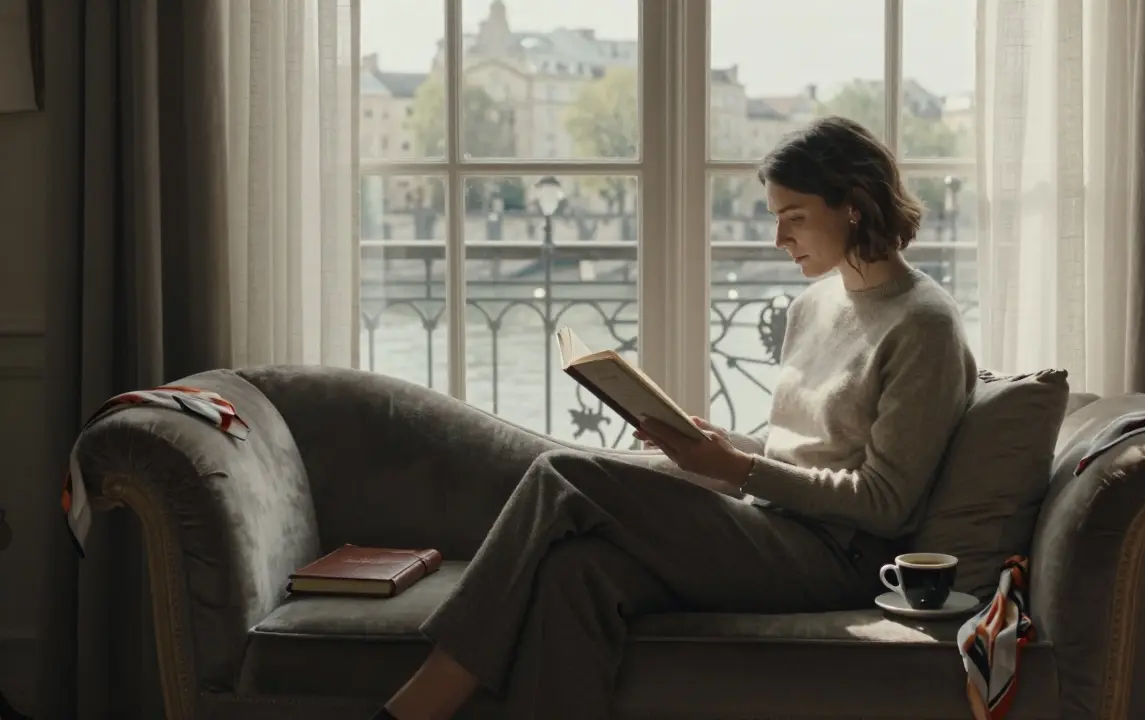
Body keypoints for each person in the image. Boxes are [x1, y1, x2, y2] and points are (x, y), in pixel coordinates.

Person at [371, 115, 978, 720]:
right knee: (576, 572)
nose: (778, 238)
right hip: (773, 524)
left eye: (794, 217)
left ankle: (420, 703)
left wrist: (736, 468)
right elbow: (803, 445)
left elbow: (886, 502)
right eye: (775, 217)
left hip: (843, 557)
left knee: (562, 474)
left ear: (854, 206)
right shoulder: (814, 304)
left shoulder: (923, 323)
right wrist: (717, 444)